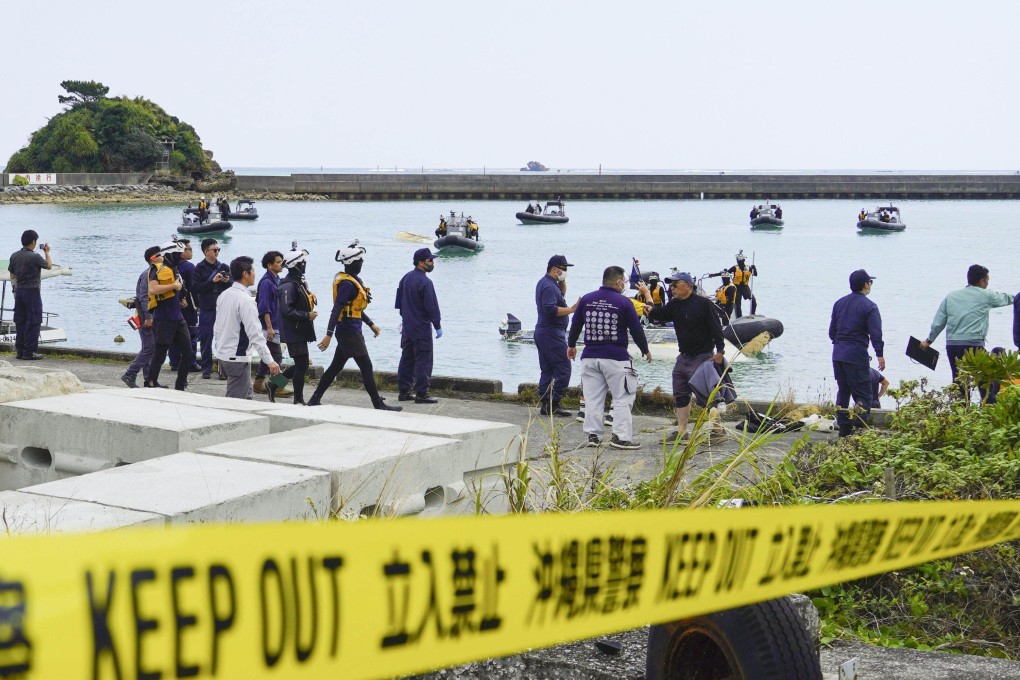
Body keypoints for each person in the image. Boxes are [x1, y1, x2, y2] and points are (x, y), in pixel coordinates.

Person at [308, 241, 401, 411]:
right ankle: (378, 404)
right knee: (366, 366)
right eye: (360, 261)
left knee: (335, 366)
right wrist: (328, 335)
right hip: (349, 332)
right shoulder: (347, 284)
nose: (362, 263)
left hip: (350, 329)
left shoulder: (353, 281)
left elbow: (354, 309)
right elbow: (337, 309)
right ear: (352, 262)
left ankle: (314, 398)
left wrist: (370, 323)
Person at [567, 265, 652, 450]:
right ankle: (620, 437)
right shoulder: (623, 302)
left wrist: (571, 345)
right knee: (622, 397)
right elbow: (636, 329)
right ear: (619, 282)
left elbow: (575, 325)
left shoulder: (586, 299)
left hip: (590, 356)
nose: (625, 286)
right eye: (625, 282)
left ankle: (593, 436)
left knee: (593, 398)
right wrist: (645, 349)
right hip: (616, 357)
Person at [648, 272, 726, 443]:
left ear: (688, 286)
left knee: (707, 395)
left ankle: (718, 430)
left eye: (676, 285)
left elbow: (716, 327)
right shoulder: (674, 304)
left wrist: (720, 351)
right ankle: (682, 431)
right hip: (684, 357)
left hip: (703, 356)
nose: (672, 288)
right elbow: (658, 315)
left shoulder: (704, 304)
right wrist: (648, 303)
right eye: (671, 285)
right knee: (680, 393)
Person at [920, 264, 1016, 395]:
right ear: (982, 281)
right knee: (984, 382)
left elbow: (938, 323)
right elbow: (1011, 299)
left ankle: (961, 412)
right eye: (987, 280)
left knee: (959, 382)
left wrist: (928, 341)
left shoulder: (951, 296)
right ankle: (986, 409)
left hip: (953, 346)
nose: (987, 283)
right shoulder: (986, 295)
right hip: (973, 346)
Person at [213, 256, 281, 399]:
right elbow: (255, 334)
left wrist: (219, 350)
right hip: (237, 357)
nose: (255, 274)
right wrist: (270, 361)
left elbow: (217, 327)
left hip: (224, 354)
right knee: (236, 402)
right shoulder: (245, 300)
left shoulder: (223, 295)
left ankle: (269, 384)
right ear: (245, 274)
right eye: (253, 271)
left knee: (247, 397)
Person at [829, 269, 884, 438]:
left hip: (838, 354)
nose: (870, 286)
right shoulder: (870, 306)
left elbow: (832, 332)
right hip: (856, 355)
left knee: (843, 391)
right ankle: (858, 428)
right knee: (864, 394)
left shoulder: (839, 303)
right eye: (870, 282)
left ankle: (844, 430)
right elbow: (876, 333)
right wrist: (880, 354)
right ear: (866, 284)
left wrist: (841, 343)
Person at [268, 244, 318, 404]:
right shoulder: (288, 286)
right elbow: (286, 310)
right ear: (296, 264)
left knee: (301, 364)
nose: (305, 265)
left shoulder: (297, 282)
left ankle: (274, 385)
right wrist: (306, 315)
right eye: (303, 262)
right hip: (293, 331)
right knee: (302, 364)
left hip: (299, 330)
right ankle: (298, 399)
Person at [145, 239, 194, 391]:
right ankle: (151, 381)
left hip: (178, 317)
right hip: (163, 318)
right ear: (169, 254)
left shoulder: (175, 270)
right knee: (160, 354)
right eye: (178, 254)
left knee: (188, 352)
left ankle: (180, 384)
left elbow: (178, 291)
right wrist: (174, 286)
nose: (180, 257)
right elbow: (152, 290)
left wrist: (181, 300)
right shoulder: (157, 269)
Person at [395, 247, 442, 404]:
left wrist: (406, 318)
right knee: (423, 360)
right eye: (430, 260)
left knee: (407, 359)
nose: (432, 262)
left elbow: (399, 304)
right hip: (421, 328)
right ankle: (422, 393)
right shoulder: (425, 282)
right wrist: (437, 325)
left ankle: (404, 391)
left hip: (407, 328)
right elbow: (432, 306)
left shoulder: (405, 278)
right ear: (421, 263)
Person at [534, 255, 579, 417]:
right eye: (563, 269)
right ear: (555, 269)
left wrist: (562, 280)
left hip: (545, 332)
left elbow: (561, 295)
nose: (566, 272)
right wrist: (572, 309)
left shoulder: (549, 284)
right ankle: (554, 403)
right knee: (564, 368)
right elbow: (550, 309)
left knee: (547, 369)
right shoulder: (548, 286)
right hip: (551, 333)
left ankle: (546, 404)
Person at [7, 229, 52, 360]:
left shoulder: (14, 255)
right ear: (33, 242)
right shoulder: (35, 257)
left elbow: (12, 274)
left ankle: (20, 351)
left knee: (20, 321)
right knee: (33, 321)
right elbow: (49, 266)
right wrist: (47, 252)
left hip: (19, 291)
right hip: (32, 291)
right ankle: (29, 352)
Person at [192, 238, 232, 379]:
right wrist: (211, 281)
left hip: (222, 307)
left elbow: (233, 285)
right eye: (214, 250)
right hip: (207, 307)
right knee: (206, 338)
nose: (217, 252)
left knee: (223, 338)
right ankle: (206, 368)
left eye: (218, 250)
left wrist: (227, 281)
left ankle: (223, 369)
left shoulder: (223, 267)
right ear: (206, 252)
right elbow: (195, 288)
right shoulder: (199, 268)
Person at [253, 250, 290, 398]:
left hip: (276, 324)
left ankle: (258, 383)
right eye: (278, 262)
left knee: (267, 355)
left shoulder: (277, 279)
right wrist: (268, 327)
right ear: (269, 265)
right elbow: (264, 307)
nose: (281, 265)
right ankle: (277, 386)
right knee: (276, 355)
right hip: (269, 326)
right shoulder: (267, 283)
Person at [122, 246, 159, 387]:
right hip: (146, 317)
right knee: (149, 348)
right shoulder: (148, 275)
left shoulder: (153, 274)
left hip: (151, 316)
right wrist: (148, 317)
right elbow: (144, 297)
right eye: (159, 255)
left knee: (151, 348)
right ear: (153, 259)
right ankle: (130, 374)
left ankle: (149, 379)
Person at [168, 238, 200, 373]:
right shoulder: (189, 267)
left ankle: (174, 361)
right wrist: (197, 304)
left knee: (174, 335)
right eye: (189, 249)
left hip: (173, 306)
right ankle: (191, 363)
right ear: (181, 252)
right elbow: (194, 287)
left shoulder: (169, 267)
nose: (192, 251)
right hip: (188, 307)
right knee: (191, 335)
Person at [726, 250, 758, 318]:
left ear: (743, 260)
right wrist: (725, 271)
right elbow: (727, 272)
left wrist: (754, 268)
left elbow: (755, 274)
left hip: (745, 287)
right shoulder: (735, 268)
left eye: (740, 260)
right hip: (737, 287)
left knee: (753, 301)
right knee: (738, 304)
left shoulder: (748, 267)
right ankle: (739, 317)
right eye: (738, 260)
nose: (739, 262)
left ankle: (752, 314)